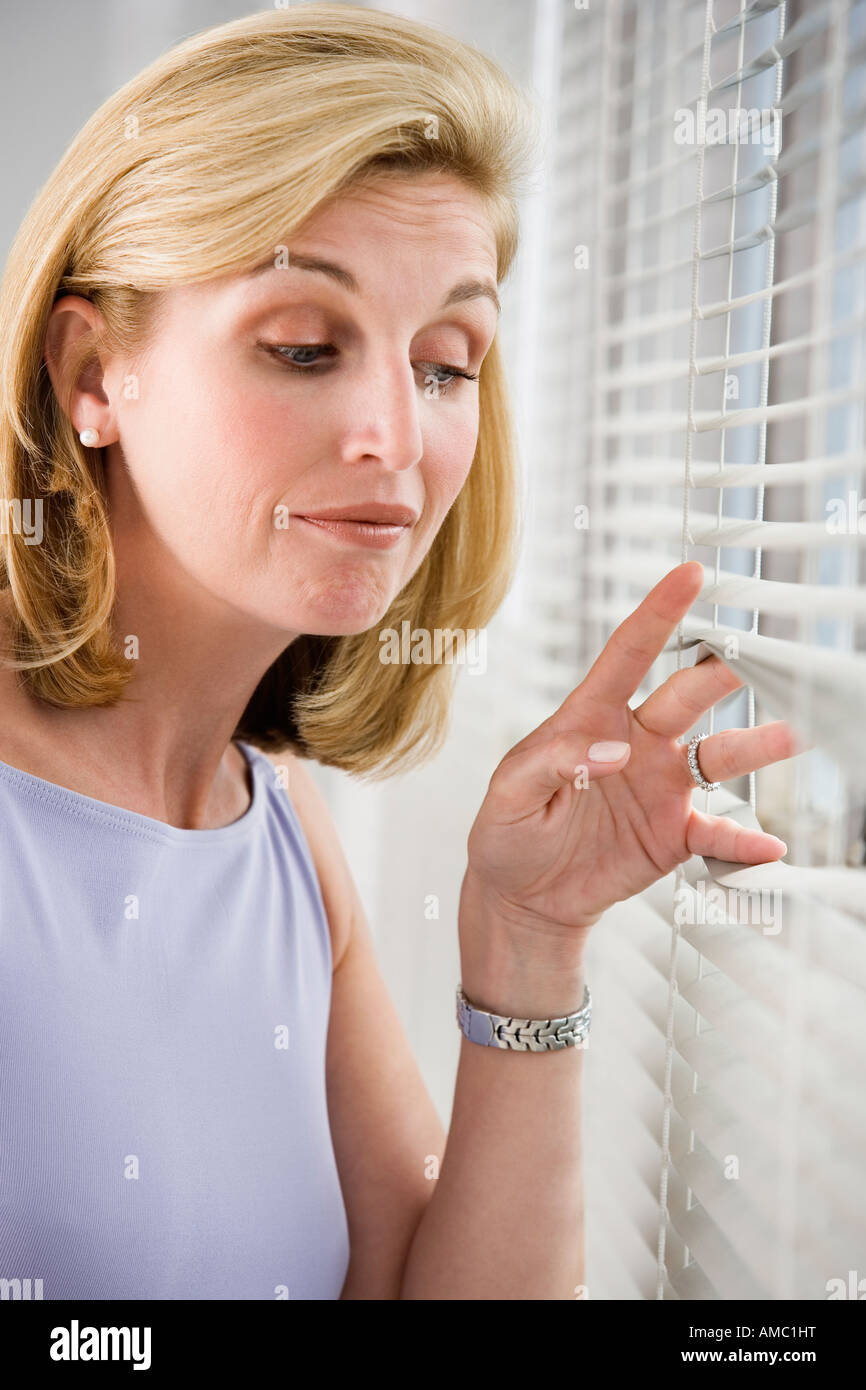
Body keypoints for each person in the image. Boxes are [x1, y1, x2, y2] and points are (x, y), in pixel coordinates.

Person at [0, 3, 796, 1301]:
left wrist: (525, 940)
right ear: (96, 372)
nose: (392, 433)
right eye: (304, 346)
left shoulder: (278, 826)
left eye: (444, 362)